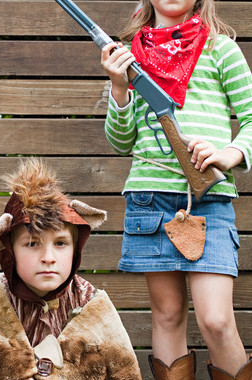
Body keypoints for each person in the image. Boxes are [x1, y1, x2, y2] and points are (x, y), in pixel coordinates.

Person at [101, 0, 252, 378]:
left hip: (209, 199)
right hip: (149, 200)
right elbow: (121, 142)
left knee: (216, 320)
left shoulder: (220, 48)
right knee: (167, 314)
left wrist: (228, 153)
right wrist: (119, 87)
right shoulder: (129, 55)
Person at [0, 158, 141, 379]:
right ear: (10, 251)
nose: (48, 258)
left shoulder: (92, 307)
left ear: (76, 249)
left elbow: (125, 373)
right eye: (33, 244)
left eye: (61, 243)